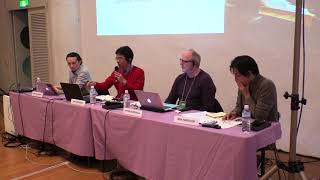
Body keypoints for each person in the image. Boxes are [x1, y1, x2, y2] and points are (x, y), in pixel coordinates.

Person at [224, 55, 278, 122]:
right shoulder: (244, 84)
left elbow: (259, 116)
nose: (235, 79)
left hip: (265, 128)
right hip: (247, 125)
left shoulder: (267, 85)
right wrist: (234, 113)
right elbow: (239, 107)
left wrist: (247, 95)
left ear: (249, 73)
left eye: (238, 75)